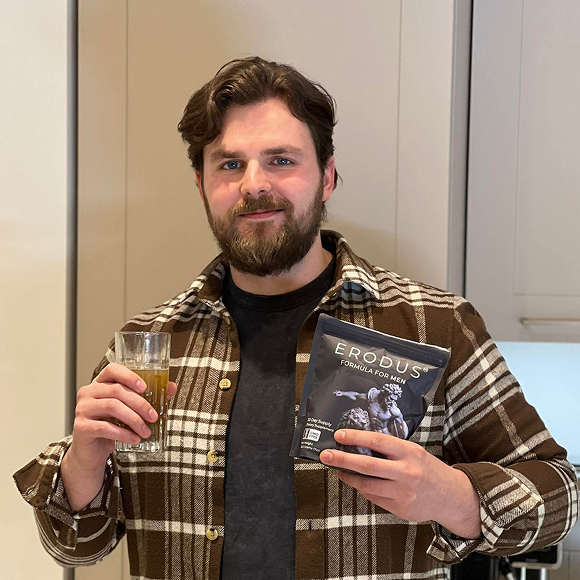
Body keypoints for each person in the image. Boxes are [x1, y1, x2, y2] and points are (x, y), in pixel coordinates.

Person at [14, 56, 579, 580]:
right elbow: (76, 546)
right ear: (202, 185)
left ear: (327, 176)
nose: (254, 184)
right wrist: (83, 459)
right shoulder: (149, 345)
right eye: (229, 164)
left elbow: (559, 496)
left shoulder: (433, 324)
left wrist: (451, 496)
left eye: (281, 160)